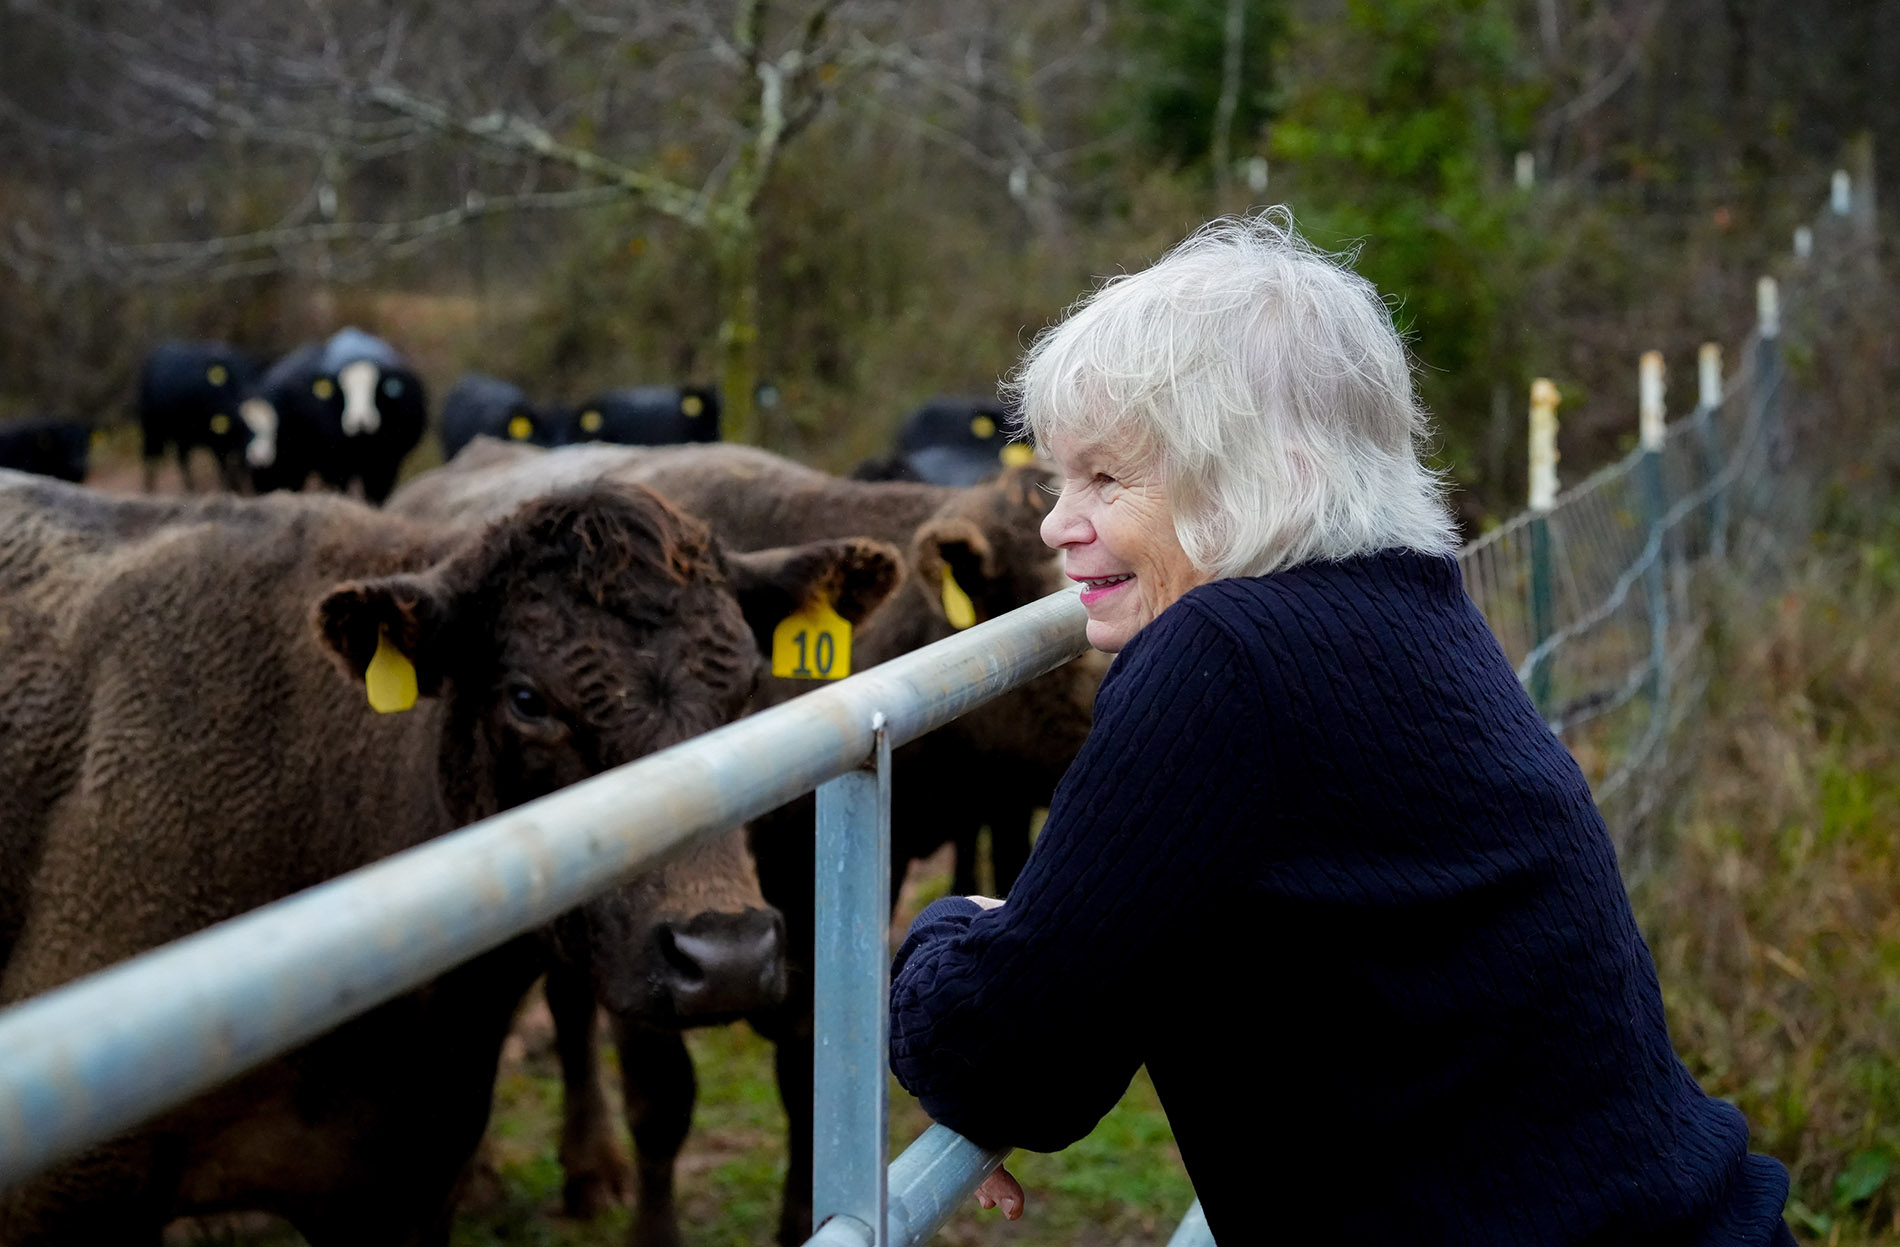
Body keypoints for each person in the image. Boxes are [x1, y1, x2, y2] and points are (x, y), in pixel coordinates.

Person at [886, 211, 1795, 1245]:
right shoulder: (1409, 605)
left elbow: (1012, 1057)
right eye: (1058, 477)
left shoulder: (1223, 655)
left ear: (1257, 471)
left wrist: (944, 926)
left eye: (1105, 477)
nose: (1056, 522)